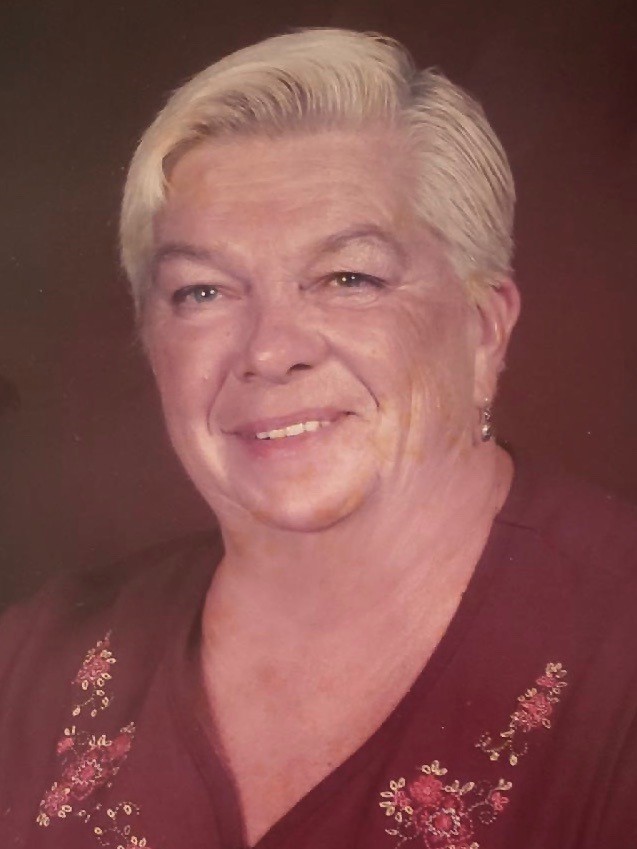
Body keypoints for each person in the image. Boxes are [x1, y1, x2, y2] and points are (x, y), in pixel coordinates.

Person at [1, 27, 636, 849]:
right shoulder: (31, 668)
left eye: (347, 277)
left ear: (482, 331)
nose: (269, 350)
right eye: (202, 291)